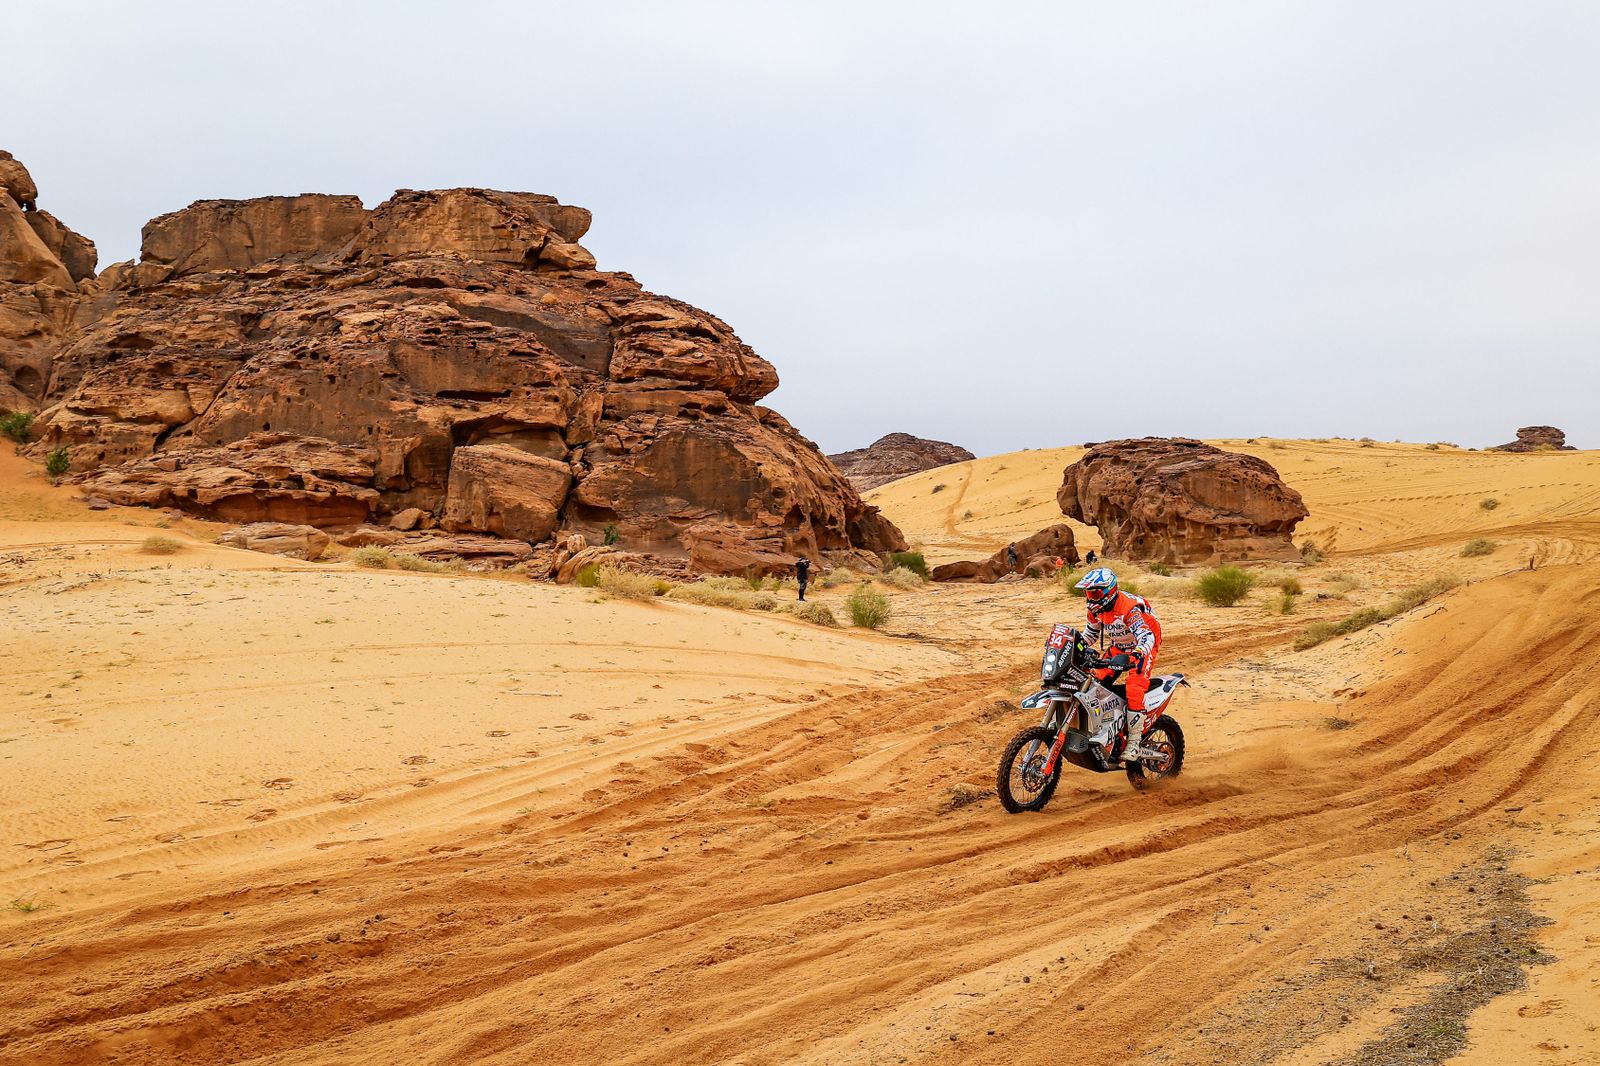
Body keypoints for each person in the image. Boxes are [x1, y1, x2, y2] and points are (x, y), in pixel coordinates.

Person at [1074, 566, 1162, 760]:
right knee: (1094, 679)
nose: (1091, 597)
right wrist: (1072, 644)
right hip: (1120, 645)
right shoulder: (1095, 610)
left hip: (1143, 645)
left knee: (1134, 686)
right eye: (1088, 593)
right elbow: (1090, 634)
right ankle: (1108, 727)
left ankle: (1134, 743)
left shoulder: (1129, 609)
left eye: (1095, 593)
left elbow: (1146, 636)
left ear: (1109, 591)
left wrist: (1138, 654)